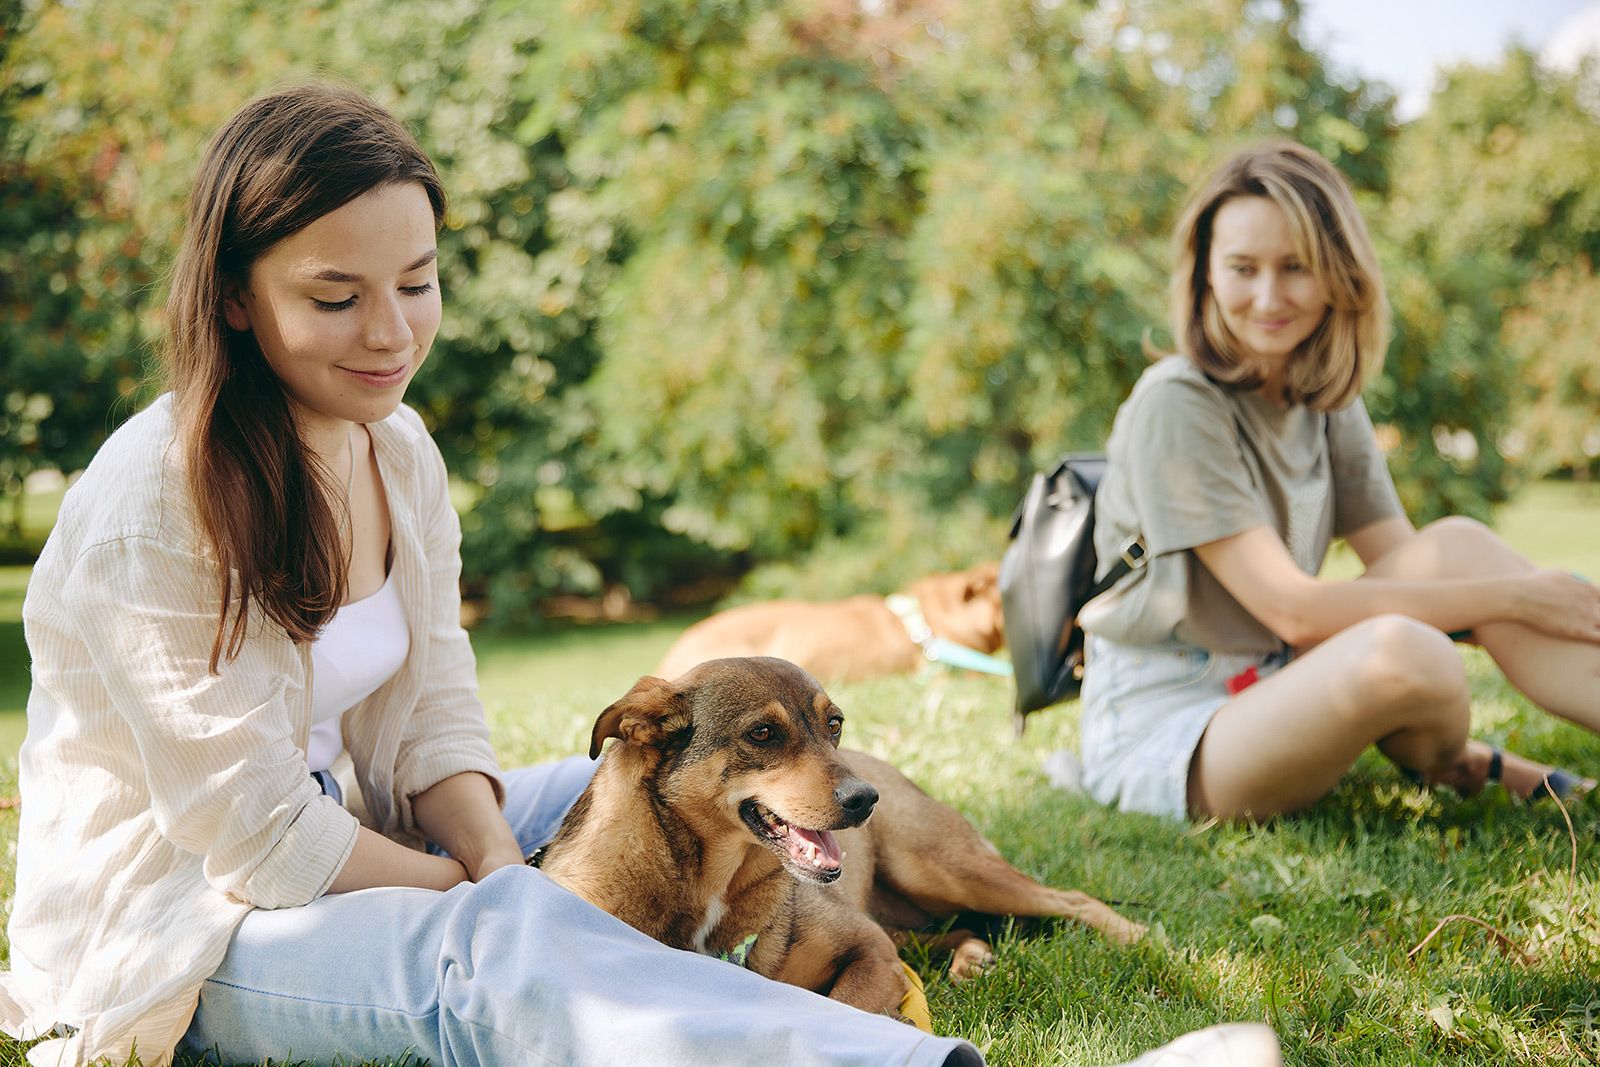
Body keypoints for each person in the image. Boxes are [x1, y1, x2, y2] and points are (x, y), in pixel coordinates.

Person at [0, 82, 1280, 1067]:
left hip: (365, 824)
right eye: (335, 297)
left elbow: (441, 707)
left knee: (633, 790)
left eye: (418, 281)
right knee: (500, 938)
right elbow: (262, 839)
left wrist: (494, 843)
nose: (391, 333)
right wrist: (490, 884)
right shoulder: (148, 513)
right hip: (191, 926)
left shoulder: (394, 447)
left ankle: (814, 942)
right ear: (234, 297)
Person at [1073, 140, 1600, 823]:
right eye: (1242, 268)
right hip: (1173, 721)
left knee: (1459, 546)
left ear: (1338, 276)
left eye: (1296, 267)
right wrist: (1524, 597)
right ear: (1205, 273)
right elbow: (1291, 609)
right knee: (1409, 651)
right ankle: (1476, 762)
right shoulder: (1176, 402)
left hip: (1280, 676)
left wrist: (1514, 603)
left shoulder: (1325, 401)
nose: (1268, 296)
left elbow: (1416, 576)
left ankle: (1488, 754)